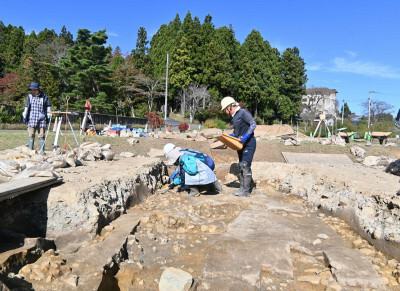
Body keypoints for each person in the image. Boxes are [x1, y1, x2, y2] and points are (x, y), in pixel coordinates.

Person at [221, 96, 257, 197]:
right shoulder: (234, 118)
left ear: (230, 107)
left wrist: (246, 136)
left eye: (225, 110)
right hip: (240, 144)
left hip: (249, 143)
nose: (225, 112)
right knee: (241, 166)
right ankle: (242, 188)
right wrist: (228, 137)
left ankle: (246, 191)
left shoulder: (243, 113)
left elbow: (253, 124)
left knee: (245, 165)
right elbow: (236, 133)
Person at [22, 82, 51, 154]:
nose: (33, 91)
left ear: (38, 90)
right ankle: (31, 151)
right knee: (31, 134)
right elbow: (26, 107)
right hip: (32, 118)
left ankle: (42, 151)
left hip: (42, 119)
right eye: (32, 90)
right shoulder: (29, 97)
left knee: (41, 135)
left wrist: (49, 116)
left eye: (34, 90)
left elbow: (48, 107)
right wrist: (24, 116)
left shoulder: (44, 97)